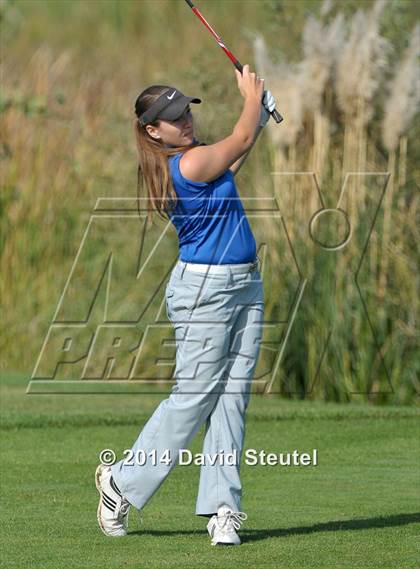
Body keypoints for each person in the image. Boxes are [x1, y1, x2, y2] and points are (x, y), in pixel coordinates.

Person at [95, 65, 276, 545]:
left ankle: (222, 510)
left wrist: (256, 122)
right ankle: (122, 483)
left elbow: (232, 159)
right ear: (154, 130)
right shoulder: (186, 164)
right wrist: (252, 100)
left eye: (186, 111)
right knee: (195, 397)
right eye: (174, 118)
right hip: (206, 293)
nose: (186, 120)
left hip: (243, 286)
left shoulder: (197, 159)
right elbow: (234, 143)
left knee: (231, 399)